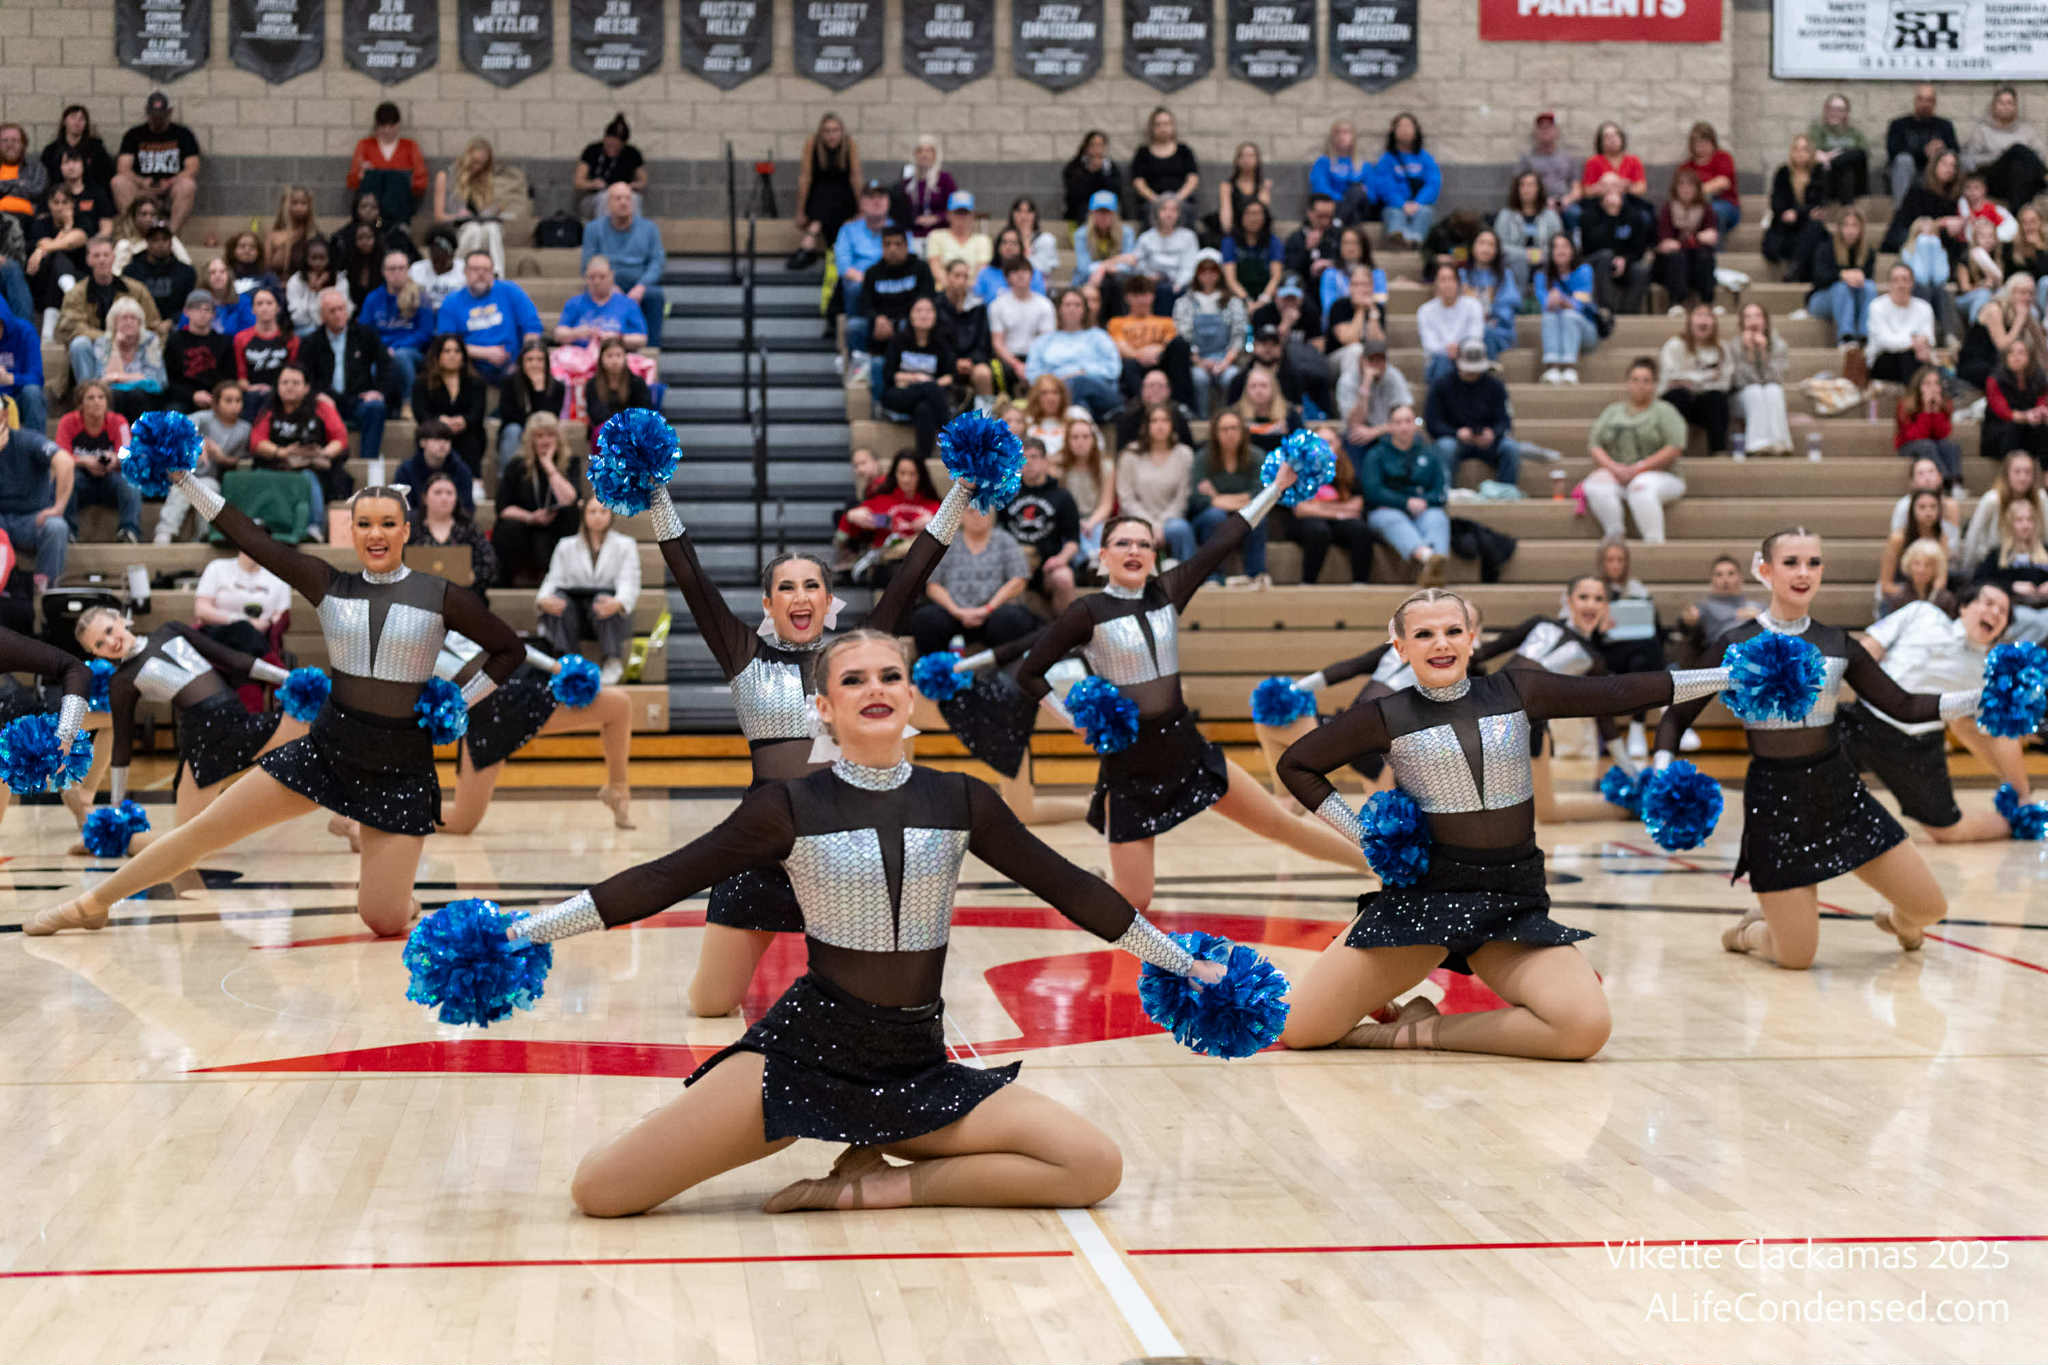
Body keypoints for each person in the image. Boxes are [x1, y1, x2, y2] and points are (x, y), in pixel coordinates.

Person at [27, 475, 523, 938]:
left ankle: (398, 898)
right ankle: (92, 904)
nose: (376, 534)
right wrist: (185, 480)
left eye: (388, 524)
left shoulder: (440, 595)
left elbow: (509, 651)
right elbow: (249, 537)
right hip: (328, 750)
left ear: (406, 530)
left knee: (383, 918)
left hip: (400, 768)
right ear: (351, 531)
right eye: (365, 524)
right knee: (203, 831)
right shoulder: (328, 583)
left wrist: (457, 704)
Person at [1274, 588, 1735, 1055]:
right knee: (1301, 1031)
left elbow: (1618, 693)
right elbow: (1296, 764)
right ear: (1400, 647)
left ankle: (1408, 1032)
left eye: (1453, 631)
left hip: (1511, 904)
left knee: (1585, 1028)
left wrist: (1727, 676)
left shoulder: (1516, 690)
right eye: (1424, 634)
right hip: (1423, 901)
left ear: (1472, 638)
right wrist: (1365, 837)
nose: (1441, 643)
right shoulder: (1384, 716)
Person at [656, 456, 982, 1012]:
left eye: (812, 586)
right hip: (761, 839)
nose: (801, 596)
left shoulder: (852, 656)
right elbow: (690, 577)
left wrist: (963, 488)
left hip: (844, 839)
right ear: (769, 604)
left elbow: (912, 573)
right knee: (709, 1005)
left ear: (830, 602)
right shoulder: (743, 654)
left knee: (873, 1003)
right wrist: (655, 492)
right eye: (786, 588)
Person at [1015, 464, 1368, 909]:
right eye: (1122, 543)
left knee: (1283, 825)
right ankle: (1083, 887)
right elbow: (1029, 674)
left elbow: (1224, 539)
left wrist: (1276, 488)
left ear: (1154, 555)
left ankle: (1382, 871)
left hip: (1187, 750)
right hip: (1131, 768)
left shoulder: (1166, 593)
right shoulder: (1086, 612)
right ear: (1102, 555)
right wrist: (1073, 723)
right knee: (1135, 900)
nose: (1134, 550)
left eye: (1144, 544)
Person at [1655, 529, 1979, 969]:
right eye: (1791, 562)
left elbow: (1902, 705)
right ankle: (1748, 933)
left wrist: (1977, 698)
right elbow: (1676, 715)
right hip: (1775, 803)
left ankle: (1898, 923)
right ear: (1765, 570)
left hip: (1839, 792)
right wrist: (1663, 768)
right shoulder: (1735, 645)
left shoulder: (1837, 644)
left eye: (1813, 562)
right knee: (1796, 957)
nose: (1804, 572)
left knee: (1929, 908)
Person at [74, 608, 306, 845]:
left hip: (237, 721)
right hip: (204, 743)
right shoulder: (122, 681)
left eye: (109, 630)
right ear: (95, 653)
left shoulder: (170, 629)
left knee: (312, 724)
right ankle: (122, 842)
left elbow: (233, 659)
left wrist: (291, 678)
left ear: (120, 619)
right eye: (99, 644)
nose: (111, 642)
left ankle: (338, 813)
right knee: (186, 840)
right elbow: (122, 745)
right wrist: (116, 810)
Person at [910, 502, 1038, 657]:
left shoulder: (1005, 541)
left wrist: (988, 609)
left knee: (1012, 618)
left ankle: (1004, 667)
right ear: (961, 516)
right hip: (953, 613)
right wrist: (957, 611)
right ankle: (936, 666)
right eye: (971, 512)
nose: (977, 516)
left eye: (983, 510)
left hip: (994, 613)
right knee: (925, 618)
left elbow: (1018, 581)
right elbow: (933, 586)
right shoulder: (947, 543)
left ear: (992, 515)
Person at [1583, 358, 1687, 544]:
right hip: (1620, 471)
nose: (1640, 385)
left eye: (1646, 380)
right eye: (1635, 380)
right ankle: (1615, 535)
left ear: (1654, 384)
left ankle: (1654, 542)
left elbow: (1675, 446)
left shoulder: (1664, 411)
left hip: (1660, 474)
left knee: (1641, 486)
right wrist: (1614, 468)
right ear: (1627, 382)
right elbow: (1594, 444)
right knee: (1595, 483)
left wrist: (1639, 468)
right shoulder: (1613, 411)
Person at [535, 497, 638, 685]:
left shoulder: (625, 545)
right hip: (573, 609)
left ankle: (612, 660)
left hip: (603, 612)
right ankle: (568, 661)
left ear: (611, 514)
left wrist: (618, 603)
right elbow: (553, 579)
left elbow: (628, 582)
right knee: (557, 601)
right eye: (592, 512)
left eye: (603, 511)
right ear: (584, 515)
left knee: (604, 601)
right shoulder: (566, 545)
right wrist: (543, 600)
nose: (598, 516)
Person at [1426, 340, 1541, 490]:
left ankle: (1506, 492)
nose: (1472, 374)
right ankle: (1445, 492)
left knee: (1510, 448)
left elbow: (1505, 421)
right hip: (1455, 440)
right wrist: (1456, 433)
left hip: (1488, 441)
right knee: (1445, 446)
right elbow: (1433, 423)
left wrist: (1493, 433)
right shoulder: (1441, 385)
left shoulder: (1495, 385)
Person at [251, 364, 349, 533]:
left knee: (307, 477)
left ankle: (314, 527)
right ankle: (260, 522)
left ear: (306, 388)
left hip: (313, 466)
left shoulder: (321, 407)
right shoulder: (269, 409)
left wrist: (322, 454)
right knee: (261, 475)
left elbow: (340, 439)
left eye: (295, 383)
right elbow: (256, 441)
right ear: (278, 386)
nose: (289, 387)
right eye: (285, 382)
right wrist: (282, 452)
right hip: (278, 463)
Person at [1358, 402, 1448, 584]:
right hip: (1387, 509)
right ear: (1389, 426)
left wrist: (1424, 501)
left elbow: (1440, 491)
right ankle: (1429, 558)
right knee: (1391, 518)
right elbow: (1372, 492)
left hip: (1422, 509)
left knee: (1437, 517)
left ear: (1415, 424)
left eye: (1408, 421)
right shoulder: (1376, 454)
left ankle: (1436, 569)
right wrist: (1405, 502)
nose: (1404, 427)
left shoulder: (1430, 453)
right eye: (1398, 422)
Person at [491, 412, 583, 588]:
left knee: (571, 514)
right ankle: (518, 575)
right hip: (526, 526)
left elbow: (570, 499)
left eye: (550, 435)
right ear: (531, 440)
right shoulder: (516, 465)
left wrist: (549, 466)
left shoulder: (570, 462)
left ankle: (559, 576)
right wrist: (530, 517)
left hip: (555, 527)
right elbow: (502, 508)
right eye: (539, 436)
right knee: (507, 526)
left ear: (558, 438)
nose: (545, 441)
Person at [303, 288, 390, 468]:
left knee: (375, 408)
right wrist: (316, 395)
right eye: (332, 311)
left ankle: (367, 465)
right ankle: (319, 465)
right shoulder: (311, 341)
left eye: (341, 309)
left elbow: (386, 365)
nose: (338, 314)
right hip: (324, 402)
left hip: (358, 399)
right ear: (322, 316)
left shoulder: (365, 335)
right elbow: (304, 376)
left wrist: (379, 391)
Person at [158, 381, 250, 545]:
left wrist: (222, 458)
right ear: (216, 403)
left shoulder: (244, 429)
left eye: (238, 401)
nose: (234, 406)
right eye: (228, 400)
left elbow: (240, 462)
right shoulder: (202, 418)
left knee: (209, 487)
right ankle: (165, 532)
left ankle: (204, 535)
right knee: (182, 487)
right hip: (181, 473)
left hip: (210, 477)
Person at [59, 237, 160, 383]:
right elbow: (72, 327)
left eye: (106, 255)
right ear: (88, 260)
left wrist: (129, 338)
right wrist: (109, 339)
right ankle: (89, 390)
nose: (102, 260)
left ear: (113, 257)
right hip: (94, 346)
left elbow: (152, 323)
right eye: (96, 256)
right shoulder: (76, 293)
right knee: (79, 344)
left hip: (131, 347)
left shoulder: (136, 289)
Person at [580, 183, 666, 348]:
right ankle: (597, 348)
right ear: (608, 204)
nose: (623, 202)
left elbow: (657, 262)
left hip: (639, 282)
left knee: (655, 296)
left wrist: (641, 286)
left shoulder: (649, 229)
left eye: (627, 198)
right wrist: (609, 286)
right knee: (592, 293)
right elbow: (587, 263)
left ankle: (651, 349)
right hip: (605, 281)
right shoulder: (593, 229)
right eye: (618, 198)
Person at [1000, 439, 1081, 613]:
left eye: (1034, 457)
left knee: (1064, 577)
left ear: (1045, 462)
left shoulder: (1062, 496)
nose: (1028, 462)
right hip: (1014, 564)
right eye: (1023, 458)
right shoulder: (1007, 493)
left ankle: (1067, 628)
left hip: (1048, 566)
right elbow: (997, 534)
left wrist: (1061, 559)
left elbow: (1073, 541)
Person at [435, 250, 542, 383]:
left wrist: (523, 360)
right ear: (465, 272)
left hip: (513, 364)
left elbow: (532, 327)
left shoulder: (510, 291)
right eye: (475, 269)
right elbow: (445, 343)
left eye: (486, 270)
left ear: (493, 272)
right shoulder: (451, 302)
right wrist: (485, 353)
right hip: (469, 366)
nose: (481, 274)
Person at [54, 380, 139, 543]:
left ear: (107, 402)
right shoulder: (67, 422)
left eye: (101, 397)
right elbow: (60, 455)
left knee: (131, 480)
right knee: (64, 477)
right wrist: (84, 461)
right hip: (80, 478)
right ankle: (68, 532)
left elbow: (128, 455)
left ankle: (128, 531)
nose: (97, 402)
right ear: (81, 404)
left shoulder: (119, 421)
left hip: (111, 478)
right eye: (90, 398)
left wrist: (114, 459)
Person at [1189, 410, 1267, 584]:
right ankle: (1213, 576)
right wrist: (1242, 499)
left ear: (1242, 431)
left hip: (1244, 514)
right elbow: (1197, 499)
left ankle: (1256, 575)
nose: (1230, 433)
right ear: (1215, 433)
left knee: (1256, 516)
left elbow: (1259, 496)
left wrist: (1217, 498)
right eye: (1224, 429)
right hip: (1209, 518)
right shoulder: (1203, 458)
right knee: (1215, 516)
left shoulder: (1256, 456)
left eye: (1234, 428)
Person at [433, 137, 529, 276]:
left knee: (492, 229)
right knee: (473, 231)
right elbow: (438, 217)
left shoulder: (483, 179)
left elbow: (483, 213)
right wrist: (457, 216)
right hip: (456, 228)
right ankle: (462, 273)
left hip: (481, 224)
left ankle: (497, 274)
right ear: (467, 158)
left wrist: (494, 211)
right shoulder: (446, 176)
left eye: (483, 164)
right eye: (475, 162)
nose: (478, 167)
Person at [1115, 402, 1196, 563]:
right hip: (1136, 519)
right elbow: (1126, 499)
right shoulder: (1129, 455)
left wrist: (1161, 525)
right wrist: (1151, 524)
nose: (1160, 425)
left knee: (1181, 529)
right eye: (1154, 421)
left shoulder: (1184, 454)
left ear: (1172, 425)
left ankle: (1191, 574)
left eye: (1165, 420)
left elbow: (1182, 497)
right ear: (1146, 426)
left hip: (1172, 520)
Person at [878, 295, 956, 460]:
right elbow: (890, 375)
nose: (924, 315)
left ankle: (923, 458)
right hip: (900, 395)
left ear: (935, 315)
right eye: (919, 310)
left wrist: (927, 383)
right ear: (910, 316)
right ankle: (951, 432)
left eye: (929, 311)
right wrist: (918, 378)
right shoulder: (898, 340)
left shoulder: (941, 343)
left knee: (924, 409)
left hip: (928, 397)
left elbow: (950, 376)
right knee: (928, 389)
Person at [1026, 289, 1120, 422]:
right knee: (1080, 402)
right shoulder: (1044, 341)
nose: (1072, 309)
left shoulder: (1099, 336)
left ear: (1085, 310)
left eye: (1077, 305)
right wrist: (1057, 382)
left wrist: (1082, 372)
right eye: (1067, 305)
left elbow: (1113, 370)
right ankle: (1081, 422)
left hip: (1100, 393)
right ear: (1059, 309)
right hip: (1058, 393)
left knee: (1079, 382)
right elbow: (1032, 375)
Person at [1173, 250, 1248, 416]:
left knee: (1232, 377)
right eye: (1203, 272)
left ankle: (1229, 417)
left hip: (1225, 359)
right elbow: (1183, 336)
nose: (1208, 276)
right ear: (1197, 274)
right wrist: (1199, 361)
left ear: (1219, 274)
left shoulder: (1233, 302)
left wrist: (1225, 362)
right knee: (1199, 378)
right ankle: (1202, 418)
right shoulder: (1184, 302)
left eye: (1212, 271)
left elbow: (1238, 335)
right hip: (1197, 360)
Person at [112, 92, 200, 232]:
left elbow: (192, 168)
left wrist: (169, 182)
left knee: (188, 185)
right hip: (141, 188)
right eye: (154, 115)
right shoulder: (134, 134)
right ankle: (134, 233)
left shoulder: (183, 134)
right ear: (147, 112)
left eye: (161, 115)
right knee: (118, 182)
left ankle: (170, 235)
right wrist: (142, 182)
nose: (157, 119)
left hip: (171, 188)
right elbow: (123, 168)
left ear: (169, 112)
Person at [0, 422, 71, 587]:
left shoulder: (27, 440)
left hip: (31, 518)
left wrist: (58, 507)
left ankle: (46, 589)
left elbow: (65, 461)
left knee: (56, 527)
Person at [358, 250, 433, 402]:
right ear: (383, 272)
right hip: (380, 351)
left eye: (401, 268)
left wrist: (396, 347)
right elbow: (364, 332)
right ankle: (380, 403)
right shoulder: (373, 299)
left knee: (401, 357)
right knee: (373, 365)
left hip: (413, 352)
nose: (397, 273)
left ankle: (409, 403)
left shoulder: (420, 296)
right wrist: (382, 350)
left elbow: (425, 332)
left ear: (408, 270)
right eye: (392, 269)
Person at [1658, 303, 1731, 457]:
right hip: (1679, 401)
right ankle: (1674, 451)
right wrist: (1707, 377)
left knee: (1716, 398)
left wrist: (1690, 381)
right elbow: (1670, 378)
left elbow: (1725, 382)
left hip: (1705, 402)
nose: (1703, 320)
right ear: (1689, 322)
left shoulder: (1722, 348)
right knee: (1678, 395)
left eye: (1708, 316)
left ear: (1714, 324)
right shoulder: (1675, 345)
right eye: (1699, 315)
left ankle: (1718, 451)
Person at [790, 113, 860, 271]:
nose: (831, 135)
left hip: (844, 197)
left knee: (834, 195)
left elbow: (855, 177)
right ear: (821, 133)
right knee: (824, 192)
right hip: (818, 196)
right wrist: (800, 211)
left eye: (835, 130)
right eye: (827, 131)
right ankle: (824, 244)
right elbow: (805, 177)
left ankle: (809, 241)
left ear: (841, 132)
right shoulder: (812, 144)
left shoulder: (849, 144)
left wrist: (861, 208)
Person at [409, 469, 496, 594]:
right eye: (438, 492)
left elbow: (489, 563)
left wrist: (474, 577)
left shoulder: (469, 528)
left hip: (462, 595)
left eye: (449, 493)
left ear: (456, 499)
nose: (444, 498)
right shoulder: (411, 529)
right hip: (418, 595)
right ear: (425, 498)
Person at [1962, 86, 2048, 209]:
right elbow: (1968, 161)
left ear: (2015, 107)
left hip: (2023, 180)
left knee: (2018, 163)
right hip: (1995, 181)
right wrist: (2000, 155)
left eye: (2009, 103)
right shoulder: (1982, 131)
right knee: (2017, 149)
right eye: (2001, 103)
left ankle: (2017, 209)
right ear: (1994, 106)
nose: (2005, 107)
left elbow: (2042, 155)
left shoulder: (2026, 131)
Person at [1578, 182, 1655, 318]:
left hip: (1624, 262)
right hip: (1595, 262)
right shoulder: (1588, 214)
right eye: (1608, 188)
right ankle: (1606, 309)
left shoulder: (1633, 216)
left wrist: (1625, 259)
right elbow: (1590, 246)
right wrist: (1611, 216)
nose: (1612, 193)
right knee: (1606, 256)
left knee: (1641, 270)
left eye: (1615, 187)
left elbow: (1639, 249)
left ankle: (1629, 313)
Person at [1875, 490, 1955, 617]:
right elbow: (1886, 585)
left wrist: (1926, 598)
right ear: (1912, 510)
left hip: (1929, 597)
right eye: (1922, 507)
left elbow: (1941, 580)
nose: (1928, 512)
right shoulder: (1898, 538)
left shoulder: (1942, 538)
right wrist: (1912, 596)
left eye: (1933, 507)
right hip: (1900, 595)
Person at [348, 102, 429, 226]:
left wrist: (401, 182)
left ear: (398, 125)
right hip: (373, 210)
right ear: (376, 126)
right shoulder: (365, 145)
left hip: (399, 206)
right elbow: (352, 182)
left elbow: (421, 182)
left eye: (391, 126)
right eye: (383, 126)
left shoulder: (409, 146)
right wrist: (361, 174)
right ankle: (378, 225)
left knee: (394, 181)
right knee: (375, 180)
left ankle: (388, 226)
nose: (387, 131)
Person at [1807, 210, 1878, 348]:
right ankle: (1846, 337)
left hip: (1854, 299)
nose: (1850, 230)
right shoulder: (1825, 248)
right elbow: (1818, 278)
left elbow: (1867, 278)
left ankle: (1865, 336)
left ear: (1861, 229)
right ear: (1839, 228)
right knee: (1842, 288)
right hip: (1822, 298)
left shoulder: (1868, 252)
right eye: (1846, 225)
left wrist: (1858, 279)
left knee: (1869, 286)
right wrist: (1842, 275)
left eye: (1854, 225)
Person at [1535, 233, 1598, 386]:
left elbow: (1581, 304)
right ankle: (1553, 368)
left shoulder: (1584, 271)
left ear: (1573, 250)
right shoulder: (1541, 275)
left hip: (1585, 330)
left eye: (1565, 246)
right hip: (1556, 326)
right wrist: (1552, 301)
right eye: (1556, 247)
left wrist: (1563, 300)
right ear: (1550, 252)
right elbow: (1544, 304)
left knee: (1569, 315)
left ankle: (1570, 368)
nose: (1560, 251)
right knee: (1549, 315)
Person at [1731, 302, 1793, 456]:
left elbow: (1777, 378)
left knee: (1773, 390)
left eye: (1757, 316)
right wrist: (1750, 353)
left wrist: (1764, 353)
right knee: (1754, 390)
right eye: (1748, 317)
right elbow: (1739, 381)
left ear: (1765, 321)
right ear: (1742, 323)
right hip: (1741, 397)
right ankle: (1757, 445)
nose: (1753, 321)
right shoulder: (1734, 346)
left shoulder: (1779, 345)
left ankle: (1780, 443)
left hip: (1768, 394)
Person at [1653, 169, 1720, 311]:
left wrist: (1684, 242)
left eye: (1690, 185)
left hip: (1696, 260)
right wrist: (1696, 239)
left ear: (1697, 188)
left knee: (1705, 256)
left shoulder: (1706, 209)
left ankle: (1707, 302)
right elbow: (1666, 243)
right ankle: (1676, 303)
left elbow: (1711, 237)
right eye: (1681, 185)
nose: (1686, 189)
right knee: (1677, 257)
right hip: (1672, 263)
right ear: (1675, 188)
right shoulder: (1667, 209)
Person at [91, 294, 166, 420]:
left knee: (136, 394)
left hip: (146, 396)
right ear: (114, 322)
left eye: (133, 318)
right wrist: (116, 346)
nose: (129, 322)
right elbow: (102, 379)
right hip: (116, 395)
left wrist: (117, 377)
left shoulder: (150, 340)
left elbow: (153, 377)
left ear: (140, 323)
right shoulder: (104, 342)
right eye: (124, 318)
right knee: (115, 394)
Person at [1676, 554, 1760, 666]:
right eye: (1719, 575)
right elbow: (1686, 624)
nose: (1725, 579)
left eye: (1731, 574)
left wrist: (1760, 618)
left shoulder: (1757, 607)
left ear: (1741, 578)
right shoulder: (1704, 607)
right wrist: (1688, 620)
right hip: (1720, 657)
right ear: (1712, 580)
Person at [1057, 414, 1115, 572]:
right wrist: (1076, 522)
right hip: (1069, 520)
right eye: (1075, 437)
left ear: (1093, 440)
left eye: (1085, 437)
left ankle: (1092, 563)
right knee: (1072, 534)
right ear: (1067, 441)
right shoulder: (1060, 468)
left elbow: (1106, 505)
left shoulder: (1106, 467)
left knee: (1097, 532)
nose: (1080, 442)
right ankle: (1089, 563)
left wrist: (1091, 522)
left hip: (1096, 520)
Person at [932, 259, 995, 402]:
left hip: (971, 362)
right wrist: (954, 362)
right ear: (947, 276)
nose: (962, 281)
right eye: (957, 276)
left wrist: (971, 361)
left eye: (966, 277)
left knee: (983, 373)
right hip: (944, 362)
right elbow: (935, 341)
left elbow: (983, 343)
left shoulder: (978, 306)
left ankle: (985, 415)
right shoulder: (936, 305)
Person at [1764, 136, 1828, 279]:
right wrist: (1798, 213)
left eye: (1804, 150)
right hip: (1786, 227)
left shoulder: (1818, 172)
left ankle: (1795, 268)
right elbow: (1776, 202)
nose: (1800, 153)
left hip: (1807, 226)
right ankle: (1797, 269)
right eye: (1796, 149)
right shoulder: (1783, 172)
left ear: (1810, 152)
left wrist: (1797, 213)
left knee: (1815, 229)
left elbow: (1819, 203)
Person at [1372, 113, 1439, 249]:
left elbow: (1433, 183)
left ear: (1416, 130)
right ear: (1393, 131)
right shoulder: (1386, 160)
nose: (1405, 130)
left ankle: (1414, 242)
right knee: (1394, 213)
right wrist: (1401, 204)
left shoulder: (1425, 158)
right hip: (1395, 205)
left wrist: (1418, 203)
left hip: (1420, 205)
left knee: (1425, 212)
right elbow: (1384, 186)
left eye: (1408, 126)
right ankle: (1398, 239)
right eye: (1400, 126)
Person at [1414, 262, 1482, 389]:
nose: (1447, 284)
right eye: (1443, 280)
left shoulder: (1473, 306)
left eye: (1451, 279)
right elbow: (1429, 344)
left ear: (1458, 283)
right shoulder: (1425, 311)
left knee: (1473, 359)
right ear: (1436, 284)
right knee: (1443, 363)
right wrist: (1448, 350)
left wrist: (1459, 348)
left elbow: (1476, 335)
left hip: (1467, 356)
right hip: (1438, 361)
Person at [1497, 171, 1564, 300]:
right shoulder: (1505, 215)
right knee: (1517, 263)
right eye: (1522, 185)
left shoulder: (1551, 216)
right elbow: (1499, 245)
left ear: (1539, 189)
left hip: (1544, 262)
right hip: (1514, 263)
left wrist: (1541, 254)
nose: (1526, 189)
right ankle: (1518, 299)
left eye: (1531, 185)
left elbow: (1559, 244)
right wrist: (1525, 254)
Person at [1881, 150, 1963, 254]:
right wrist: (1941, 223)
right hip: (1905, 236)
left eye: (1953, 166)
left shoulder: (1953, 195)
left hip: (1935, 239)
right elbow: (1916, 225)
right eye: (1944, 164)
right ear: (1934, 165)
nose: (1949, 169)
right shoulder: (1919, 189)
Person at [988, 257, 1055, 384]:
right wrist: (1016, 364)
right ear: (1007, 278)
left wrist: (1031, 366)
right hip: (1008, 358)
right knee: (997, 371)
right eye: (1014, 271)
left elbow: (1046, 341)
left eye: (1024, 270)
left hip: (1036, 358)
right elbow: (997, 343)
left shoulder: (1045, 305)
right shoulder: (996, 305)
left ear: (1031, 275)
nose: (1020, 275)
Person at [1982, 336, 2048, 466]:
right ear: (2005, 357)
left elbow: (2042, 402)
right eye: (2011, 353)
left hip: (2029, 427)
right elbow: (2004, 412)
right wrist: (2027, 416)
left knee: (2043, 429)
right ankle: (2011, 471)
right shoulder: (1995, 379)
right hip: (2000, 431)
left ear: (2030, 357)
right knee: (2013, 428)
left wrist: (2040, 413)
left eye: (2021, 353)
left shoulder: (2039, 377)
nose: (2016, 357)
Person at [1887, 84, 1959, 202]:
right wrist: (1924, 151)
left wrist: (1942, 151)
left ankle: (1951, 206)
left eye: (1929, 100)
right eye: (1921, 99)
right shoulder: (1899, 124)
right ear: (1915, 101)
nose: (1925, 104)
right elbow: (1893, 152)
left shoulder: (1945, 125)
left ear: (1934, 103)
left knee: (1956, 160)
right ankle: (1902, 209)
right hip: (1911, 173)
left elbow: (1956, 151)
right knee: (1903, 160)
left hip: (1937, 173)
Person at [1894, 367, 1961, 492]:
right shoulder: (1905, 405)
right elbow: (1914, 435)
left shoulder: (1945, 404)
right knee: (1926, 445)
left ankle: (1956, 483)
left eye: (1936, 383)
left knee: (1951, 446)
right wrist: (1925, 410)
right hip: (1908, 445)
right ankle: (1945, 481)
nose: (1932, 388)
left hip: (1933, 443)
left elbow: (1943, 434)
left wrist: (1936, 411)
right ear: (1918, 386)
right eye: (1927, 384)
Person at [1340, 338, 1413, 450]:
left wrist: (1375, 431)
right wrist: (1366, 383)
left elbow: (1405, 414)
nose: (1376, 364)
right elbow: (1354, 423)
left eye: (1380, 360)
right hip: (1360, 433)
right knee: (1353, 438)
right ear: (1362, 360)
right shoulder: (1348, 380)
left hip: (1387, 430)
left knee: (1411, 437)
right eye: (1371, 360)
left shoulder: (1394, 376)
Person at [232, 286, 296, 409]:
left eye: (269, 303)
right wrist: (252, 388)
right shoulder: (241, 338)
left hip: (282, 394)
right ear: (253, 309)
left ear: (278, 308)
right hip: (251, 394)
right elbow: (241, 377)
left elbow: (294, 374)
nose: (264, 308)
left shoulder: (291, 339)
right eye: (259, 304)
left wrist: (276, 389)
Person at [1129, 108, 1198, 222]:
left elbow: (1193, 179)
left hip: (1180, 200)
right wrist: (1157, 201)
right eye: (1158, 124)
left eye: (1166, 124)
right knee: (1149, 211)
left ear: (1173, 126)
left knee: (1186, 210)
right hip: (1152, 202)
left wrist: (1176, 200)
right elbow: (1138, 182)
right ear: (1152, 128)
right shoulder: (1143, 153)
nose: (1162, 128)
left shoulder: (1184, 151)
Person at [1461, 229, 1520, 361]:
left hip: (1497, 330)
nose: (1486, 248)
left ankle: (1489, 368)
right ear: (1473, 247)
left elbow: (1509, 307)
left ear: (1497, 250)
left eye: (1491, 244)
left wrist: (1486, 305)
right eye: (1481, 243)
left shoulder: (1505, 276)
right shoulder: (1462, 275)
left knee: (1485, 332)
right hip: (1466, 327)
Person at [574, 113, 647, 219]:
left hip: (621, 194)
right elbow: (578, 182)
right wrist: (592, 184)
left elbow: (643, 181)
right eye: (609, 145)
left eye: (616, 147)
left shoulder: (632, 153)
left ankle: (633, 228)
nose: (612, 149)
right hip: (595, 197)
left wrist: (631, 186)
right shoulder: (592, 151)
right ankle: (604, 228)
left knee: (634, 199)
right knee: (605, 198)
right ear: (605, 139)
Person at [123, 220, 196, 320]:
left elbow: (189, 307)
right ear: (147, 243)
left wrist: (171, 321)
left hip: (176, 324)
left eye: (165, 239)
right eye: (155, 240)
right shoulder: (131, 272)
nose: (160, 244)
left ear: (171, 242)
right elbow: (127, 304)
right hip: (139, 322)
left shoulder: (186, 272)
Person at [582, 335, 655, 433]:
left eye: (618, 355)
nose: (614, 361)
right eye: (609, 356)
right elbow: (595, 415)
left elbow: (643, 411)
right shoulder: (592, 384)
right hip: (605, 430)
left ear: (625, 358)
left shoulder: (637, 382)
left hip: (632, 429)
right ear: (601, 359)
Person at [37, 104, 115, 195]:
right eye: (73, 117)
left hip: (90, 194)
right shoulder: (51, 151)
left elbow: (106, 175)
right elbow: (44, 179)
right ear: (64, 122)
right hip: (60, 195)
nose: (77, 122)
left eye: (82, 119)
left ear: (86, 124)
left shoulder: (96, 148)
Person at [1807, 93, 1869, 204]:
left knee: (1850, 164)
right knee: (1840, 168)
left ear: (1846, 113)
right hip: (1828, 179)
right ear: (1826, 110)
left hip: (1853, 183)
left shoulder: (1855, 133)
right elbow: (1813, 152)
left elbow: (1863, 153)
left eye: (1840, 110)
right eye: (1831, 108)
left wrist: (1831, 158)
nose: (1835, 113)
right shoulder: (1817, 130)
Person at [1516, 111, 1579, 220]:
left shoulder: (1567, 158)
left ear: (1556, 131)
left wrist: (1566, 200)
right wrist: (1542, 201)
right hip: (1538, 204)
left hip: (1565, 203)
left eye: (1549, 127)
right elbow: (1520, 188)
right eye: (1541, 128)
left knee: (1576, 214)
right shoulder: (1527, 160)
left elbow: (1577, 188)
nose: (1545, 131)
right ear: (1535, 133)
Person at [1071, 190, 1138, 293]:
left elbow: (1129, 264)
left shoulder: (1127, 233)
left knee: (1117, 281)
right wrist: (1115, 262)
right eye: (1099, 212)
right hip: (1088, 280)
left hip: (1118, 279)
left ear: (1114, 214)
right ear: (1091, 213)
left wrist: (1103, 267)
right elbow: (1084, 267)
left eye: (1107, 212)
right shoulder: (1081, 234)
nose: (1103, 216)